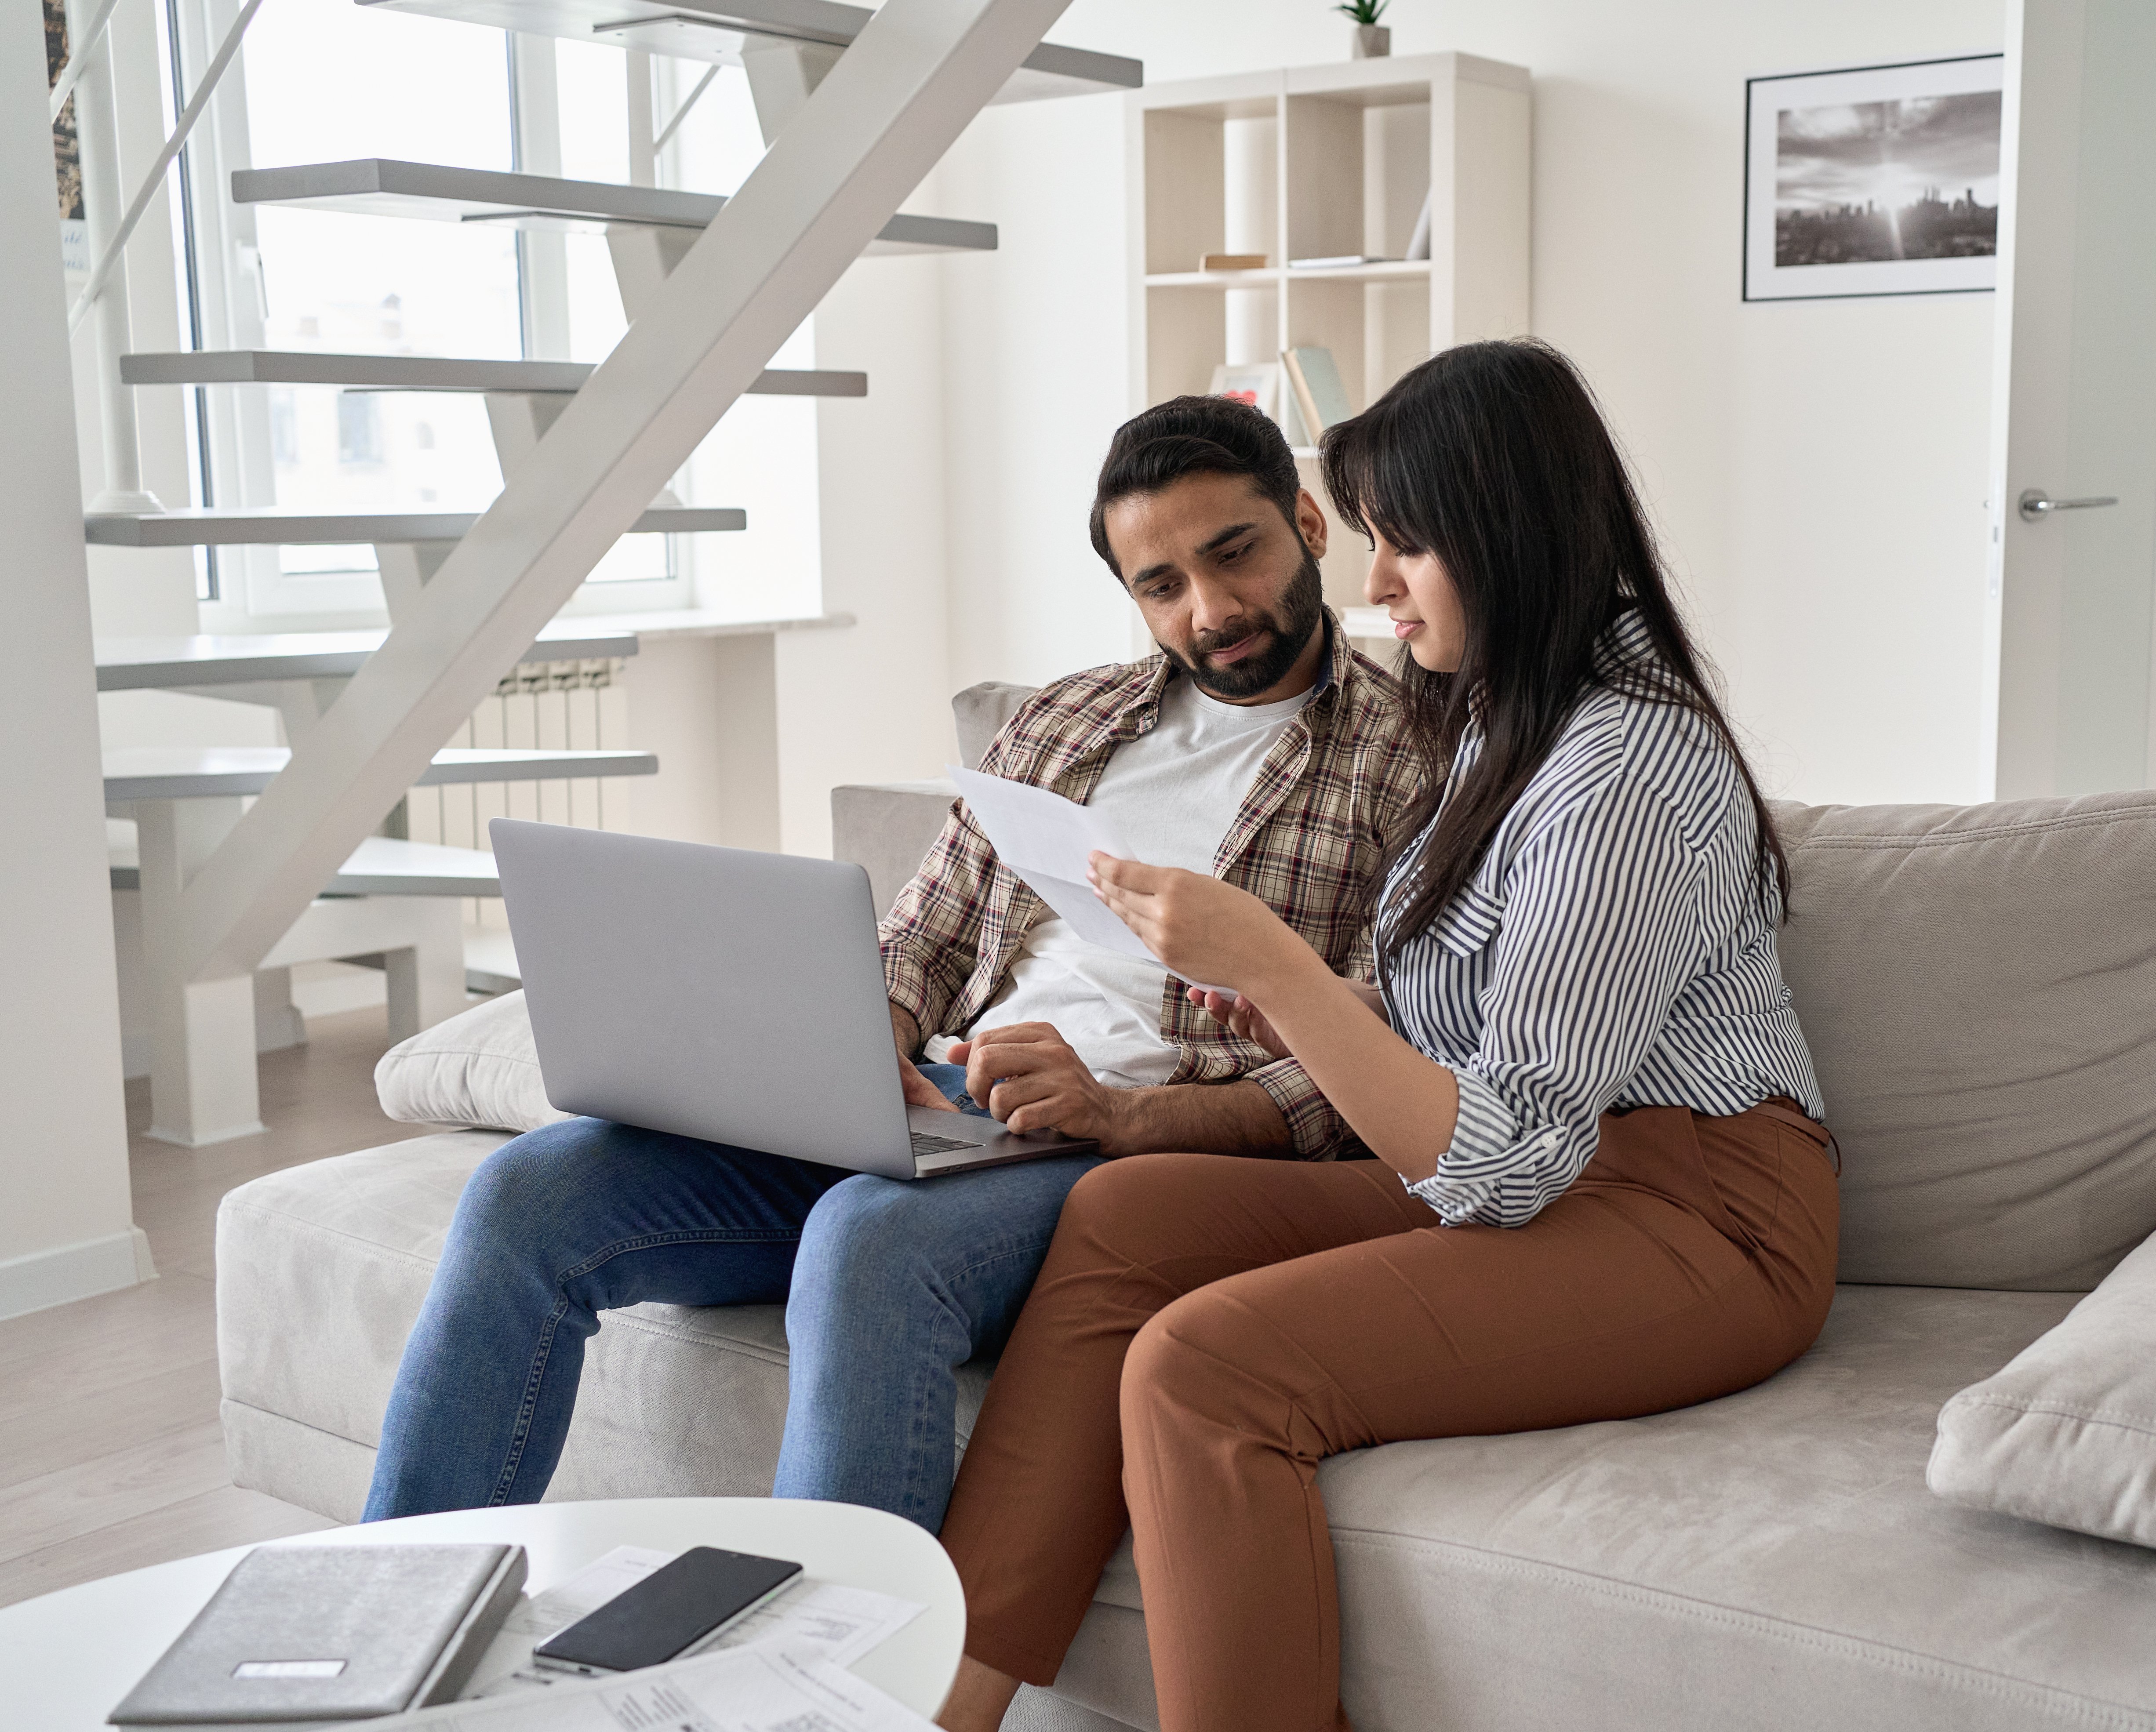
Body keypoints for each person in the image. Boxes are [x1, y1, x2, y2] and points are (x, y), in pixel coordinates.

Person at [931, 339, 1839, 1732]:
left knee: (1206, 1366)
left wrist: (1280, 971)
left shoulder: (1630, 768)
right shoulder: (1513, 719)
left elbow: (1512, 1159)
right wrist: (1281, 993)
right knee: (1124, 1218)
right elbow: (1472, 1031)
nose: (1372, 588)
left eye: (1405, 546)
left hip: (1701, 1218)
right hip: (1571, 1170)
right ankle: (950, 1706)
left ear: (1508, 534)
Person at [361, 396, 1425, 1534]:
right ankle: (387, 1620)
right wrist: (857, 1036)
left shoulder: (1412, 759)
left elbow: (1364, 1073)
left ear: (1309, 525)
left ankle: (837, 1693)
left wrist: (1115, 1113)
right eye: (1161, 586)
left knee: (867, 1240)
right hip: (941, 1109)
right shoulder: (1067, 722)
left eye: (1236, 555)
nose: (1211, 611)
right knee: (530, 1192)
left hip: (1132, 1152)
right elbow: (921, 939)